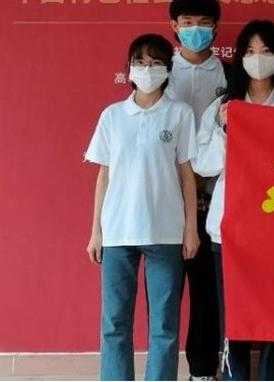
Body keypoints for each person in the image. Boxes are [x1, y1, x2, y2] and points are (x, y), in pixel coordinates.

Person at [193, 20, 274, 381]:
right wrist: (227, 129)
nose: (258, 58)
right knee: (233, 315)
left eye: (266, 51)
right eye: (250, 51)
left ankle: (271, 375)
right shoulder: (222, 107)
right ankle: (234, 377)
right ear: (240, 58)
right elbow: (204, 165)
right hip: (230, 230)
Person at [85, 33, 200, 381]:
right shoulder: (113, 115)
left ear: (168, 69)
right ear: (129, 68)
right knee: (115, 322)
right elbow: (104, 175)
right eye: (140, 62)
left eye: (156, 63)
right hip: (118, 232)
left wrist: (191, 229)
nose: (147, 69)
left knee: (164, 324)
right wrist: (96, 232)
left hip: (166, 231)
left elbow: (187, 175)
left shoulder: (179, 114)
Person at [165, 0, 226, 381]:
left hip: (214, 197)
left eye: (204, 23)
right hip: (168, 199)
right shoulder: (159, 72)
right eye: (188, 23)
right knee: (166, 293)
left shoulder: (230, 75)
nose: (196, 30)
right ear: (174, 26)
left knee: (206, 293)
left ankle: (203, 370)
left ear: (216, 27)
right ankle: (161, 369)